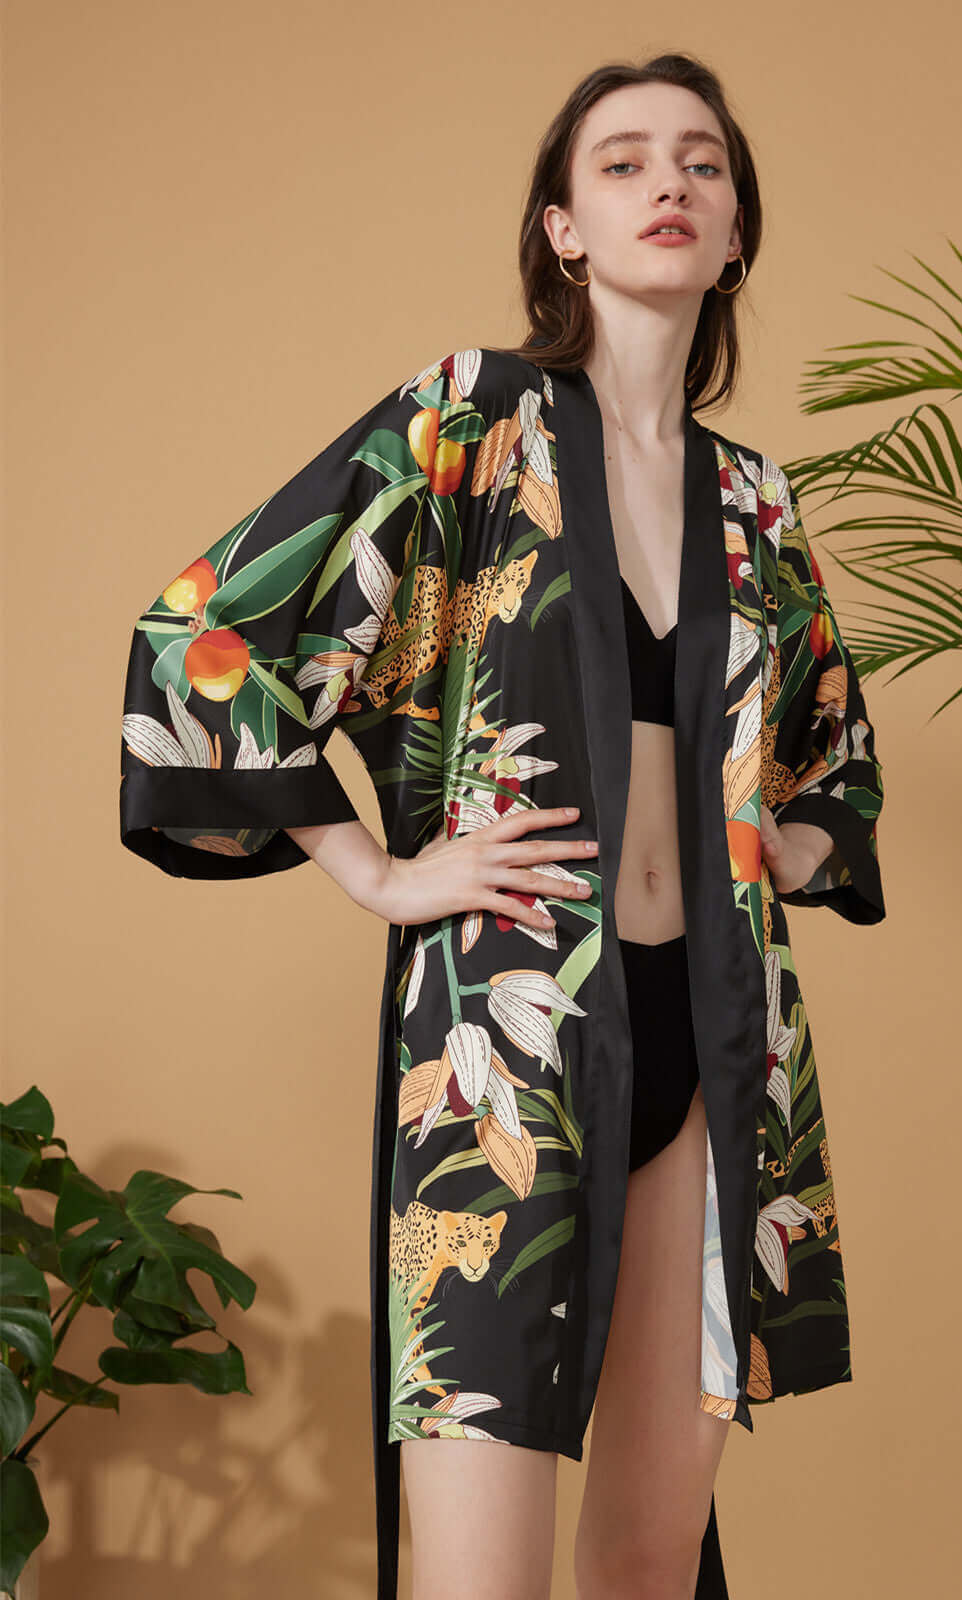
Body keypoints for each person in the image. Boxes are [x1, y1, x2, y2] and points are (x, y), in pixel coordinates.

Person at [119, 51, 886, 1600]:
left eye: (703, 163)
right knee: (481, 1581)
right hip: (504, 1041)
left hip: (713, 1038)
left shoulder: (757, 500)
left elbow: (832, 756)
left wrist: (788, 852)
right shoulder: (473, 418)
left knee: (646, 1563)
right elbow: (201, 637)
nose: (669, 184)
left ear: (737, 230)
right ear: (563, 228)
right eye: (624, 162)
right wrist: (376, 871)